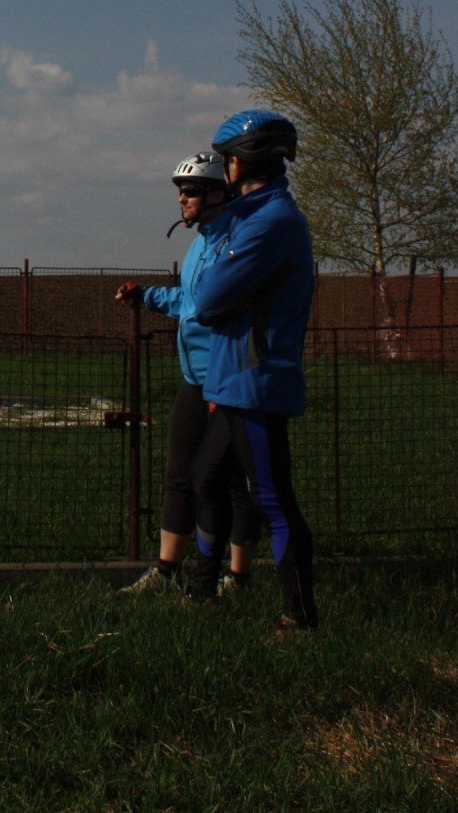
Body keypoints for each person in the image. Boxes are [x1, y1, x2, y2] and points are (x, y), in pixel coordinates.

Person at [182, 110, 318, 627]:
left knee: (274, 500)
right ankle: (202, 590)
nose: (225, 166)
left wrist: (224, 298)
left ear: (246, 160)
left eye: (229, 157)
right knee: (206, 476)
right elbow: (212, 296)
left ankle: (300, 618)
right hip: (235, 380)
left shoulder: (270, 221)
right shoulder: (252, 215)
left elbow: (209, 297)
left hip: (256, 381)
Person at [114, 152, 261, 595]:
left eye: (192, 190)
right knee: (179, 473)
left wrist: (224, 381)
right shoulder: (201, 242)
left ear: (220, 193)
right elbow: (190, 302)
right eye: (181, 190)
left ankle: (237, 577)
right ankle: (164, 571)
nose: (182, 198)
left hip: (230, 378)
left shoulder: (236, 242)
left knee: (231, 482)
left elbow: (226, 313)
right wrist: (149, 297)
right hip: (196, 378)